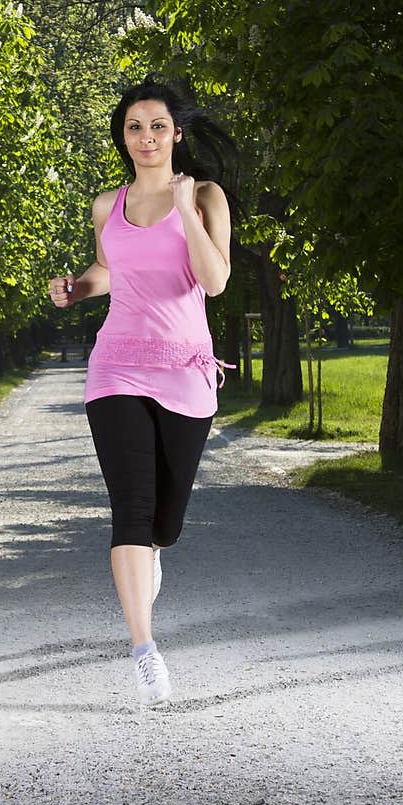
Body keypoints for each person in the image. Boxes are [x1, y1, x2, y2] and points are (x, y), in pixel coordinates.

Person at [48, 77, 240, 709]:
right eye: (135, 127)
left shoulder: (207, 196)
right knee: (130, 507)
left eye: (158, 126)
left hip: (185, 369)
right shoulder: (109, 205)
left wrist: (186, 209)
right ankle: (144, 649)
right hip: (117, 367)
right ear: (123, 137)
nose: (147, 137)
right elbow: (112, 268)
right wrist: (77, 287)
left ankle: (153, 553)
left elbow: (213, 282)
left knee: (166, 522)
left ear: (176, 134)